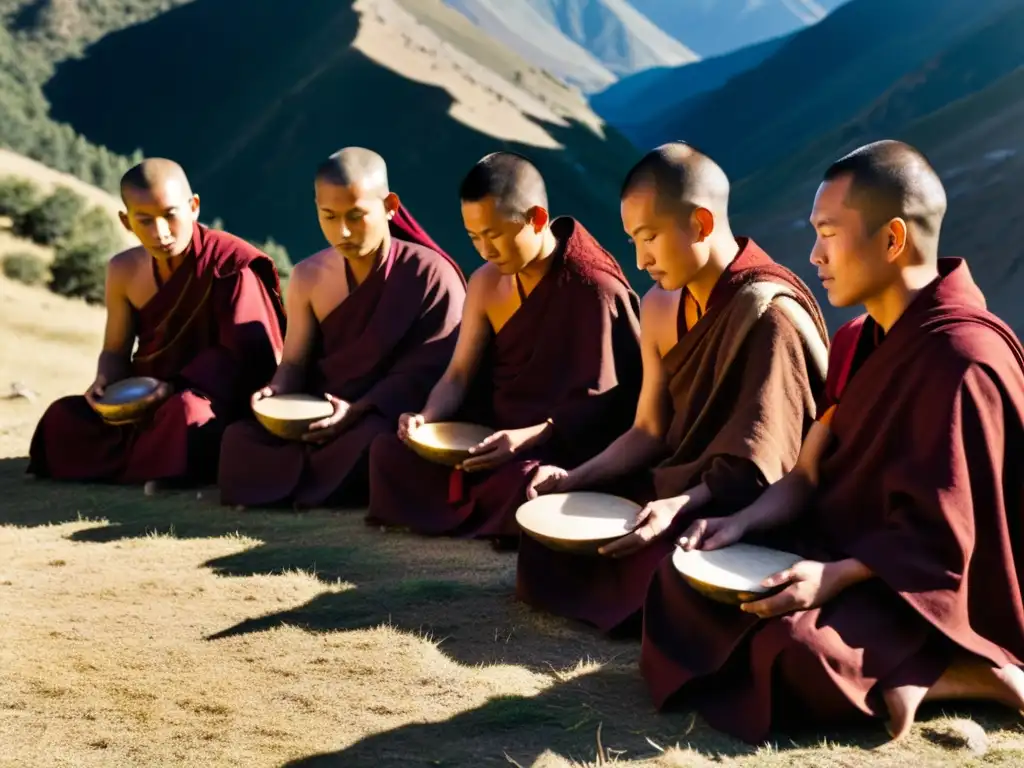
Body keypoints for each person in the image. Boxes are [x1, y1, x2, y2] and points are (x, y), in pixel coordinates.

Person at [640, 140, 1024, 744]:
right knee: (679, 579)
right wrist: (741, 523)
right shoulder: (853, 340)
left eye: (827, 233)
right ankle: (898, 672)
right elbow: (807, 476)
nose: (813, 255)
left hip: (922, 588)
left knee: (796, 647)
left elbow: (950, 542)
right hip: (842, 547)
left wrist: (835, 577)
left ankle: (964, 672)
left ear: (893, 240)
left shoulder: (967, 357)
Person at [516, 142, 830, 633]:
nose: (640, 260)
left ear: (701, 224)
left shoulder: (770, 315)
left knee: (666, 566)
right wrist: (575, 477)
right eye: (632, 242)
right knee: (551, 535)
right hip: (676, 488)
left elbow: (769, 465)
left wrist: (679, 507)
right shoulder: (661, 307)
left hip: (740, 508)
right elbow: (649, 431)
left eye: (650, 238)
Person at [365, 151, 643, 545]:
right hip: (492, 438)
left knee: (528, 484)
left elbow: (609, 406)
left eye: (494, 235)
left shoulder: (594, 287)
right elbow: (459, 375)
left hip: (561, 447)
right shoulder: (484, 283)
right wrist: (425, 420)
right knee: (387, 452)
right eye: (473, 237)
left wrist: (528, 436)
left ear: (537, 219)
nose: (484, 250)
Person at [217, 147, 466, 508]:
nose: (342, 231)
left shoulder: (431, 274)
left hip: (383, 413)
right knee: (238, 438)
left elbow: (436, 373)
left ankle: (296, 484)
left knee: (378, 443)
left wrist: (359, 408)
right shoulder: (308, 275)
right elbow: (294, 364)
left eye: (356, 215)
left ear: (390, 206)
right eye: (329, 216)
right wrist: (275, 392)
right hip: (321, 412)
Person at [27, 158, 286, 493]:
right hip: (143, 400)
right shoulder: (123, 270)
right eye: (144, 221)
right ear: (126, 221)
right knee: (62, 416)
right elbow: (115, 350)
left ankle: (155, 464)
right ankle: (158, 464)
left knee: (185, 414)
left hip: (210, 398)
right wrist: (106, 380)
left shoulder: (230, 263)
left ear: (193, 207)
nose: (160, 232)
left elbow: (251, 359)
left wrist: (175, 386)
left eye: (170, 215)